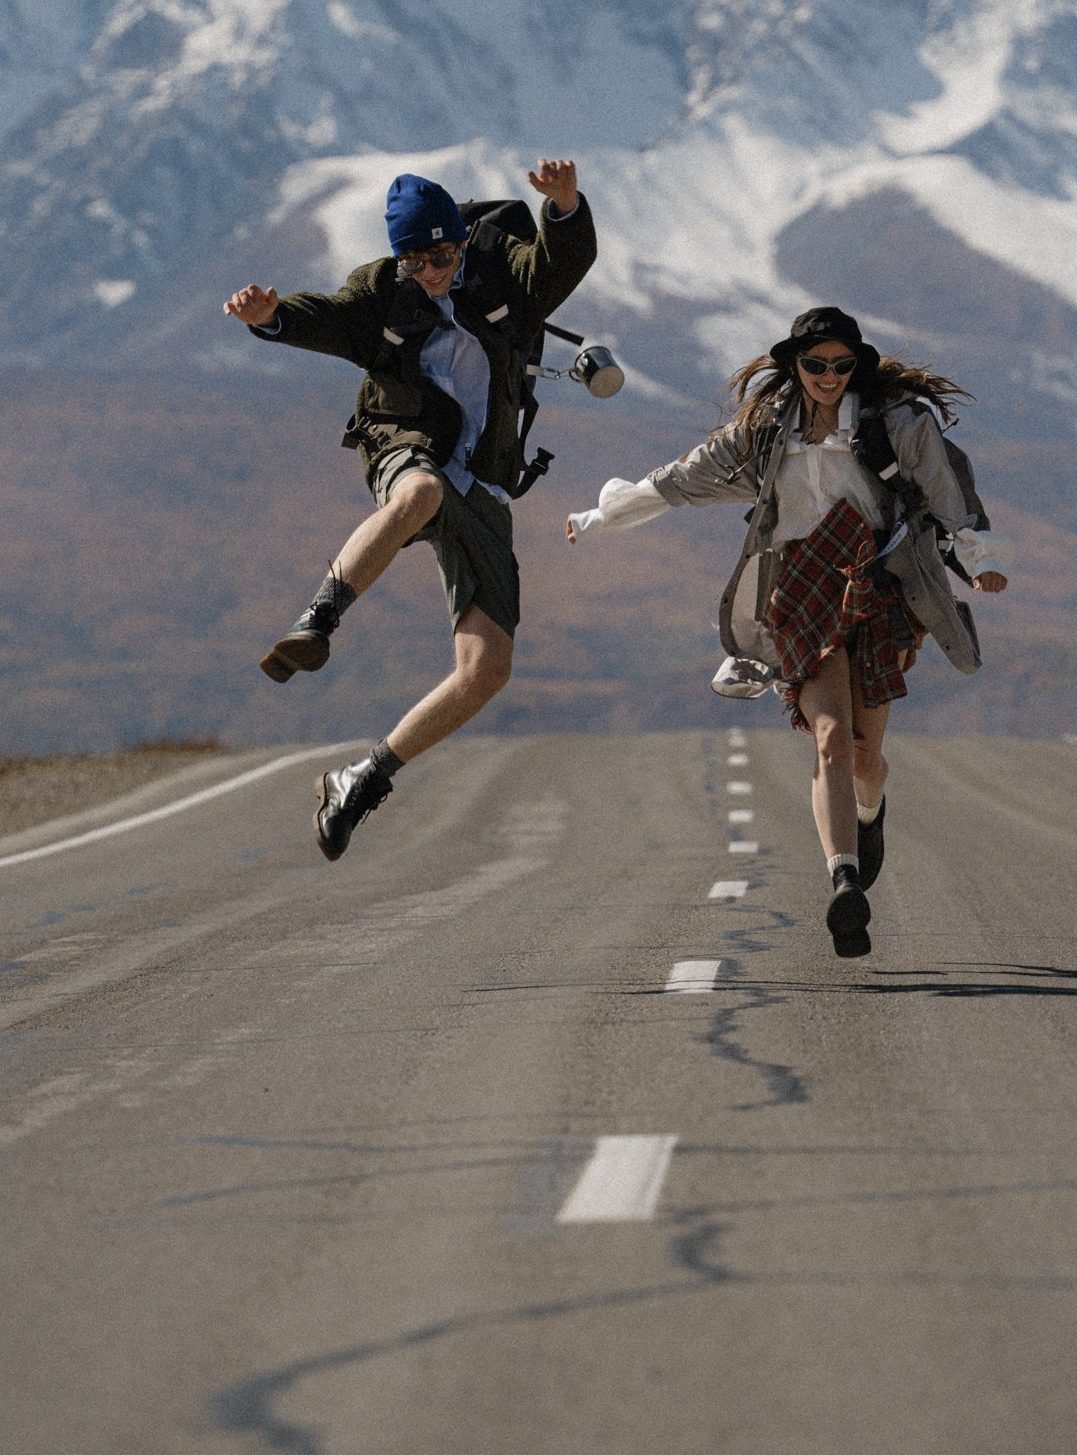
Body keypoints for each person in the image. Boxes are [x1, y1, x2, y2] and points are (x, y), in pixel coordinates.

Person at [565, 306, 1007, 957]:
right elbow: (684, 477)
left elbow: (945, 494)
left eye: (841, 365)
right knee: (830, 737)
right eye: (815, 364)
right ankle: (844, 881)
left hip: (878, 584)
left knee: (864, 755)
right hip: (800, 590)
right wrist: (603, 516)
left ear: (855, 367)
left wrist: (980, 559)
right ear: (793, 366)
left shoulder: (897, 425)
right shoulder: (767, 431)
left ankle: (869, 811)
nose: (828, 376)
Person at [223, 157, 596, 862]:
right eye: (416, 261)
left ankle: (362, 778)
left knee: (487, 668)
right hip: (405, 443)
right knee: (419, 494)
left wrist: (565, 206)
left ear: (461, 241)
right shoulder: (383, 291)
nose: (431, 272)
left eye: (443, 256)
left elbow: (559, 264)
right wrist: (271, 318)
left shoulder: (501, 270)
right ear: (400, 258)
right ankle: (318, 620)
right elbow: (331, 319)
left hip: (483, 480)